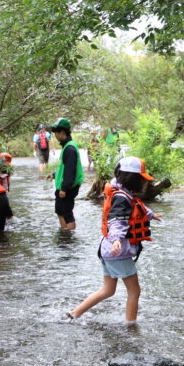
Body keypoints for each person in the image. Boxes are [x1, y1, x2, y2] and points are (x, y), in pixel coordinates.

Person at [64, 157, 162, 324]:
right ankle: (131, 325)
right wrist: (117, 239)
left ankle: (74, 314)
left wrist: (152, 215)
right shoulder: (121, 197)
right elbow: (117, 220)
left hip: (108, 250)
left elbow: (137, 208)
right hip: (118, 251)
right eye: (141, 179)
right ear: (133, 179)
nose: (144, 183)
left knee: (108, 290)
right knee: (135, 291)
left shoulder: (122, 192)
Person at [46, 117, 84, 230]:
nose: (55, 135)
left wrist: (64, 188)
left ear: (62, 132)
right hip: (67, 185)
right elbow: (65, 167)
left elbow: (70, 170)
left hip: (67, 187)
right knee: (61, 211)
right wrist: (54, 174)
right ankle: (65, 235)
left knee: (66, 213)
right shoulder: (68, 146)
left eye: (56, 133)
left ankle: (68, 238)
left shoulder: (69, 149)